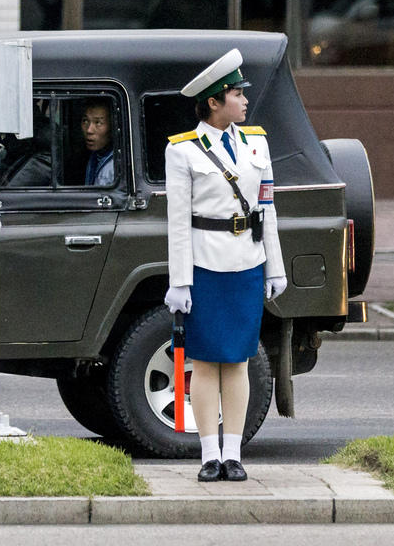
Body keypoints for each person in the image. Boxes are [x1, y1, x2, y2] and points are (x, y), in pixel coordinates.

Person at [162, 48, 287, 483]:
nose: (244, 100)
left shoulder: (257, 142)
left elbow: (266, 208)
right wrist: (180, 282)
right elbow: (178, 222)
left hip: (248, 262)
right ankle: (207, 454)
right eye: (236, 94)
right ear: (214, 102)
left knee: (237, 360)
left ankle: (233, 454)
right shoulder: (182, 151)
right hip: (205, 265)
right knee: (206, 362)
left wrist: (275, 267)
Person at [80, 99, 115, 186]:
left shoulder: (116, 166)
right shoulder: (95, 156)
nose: (89, 130)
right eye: (85, 121)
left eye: (98, 123)